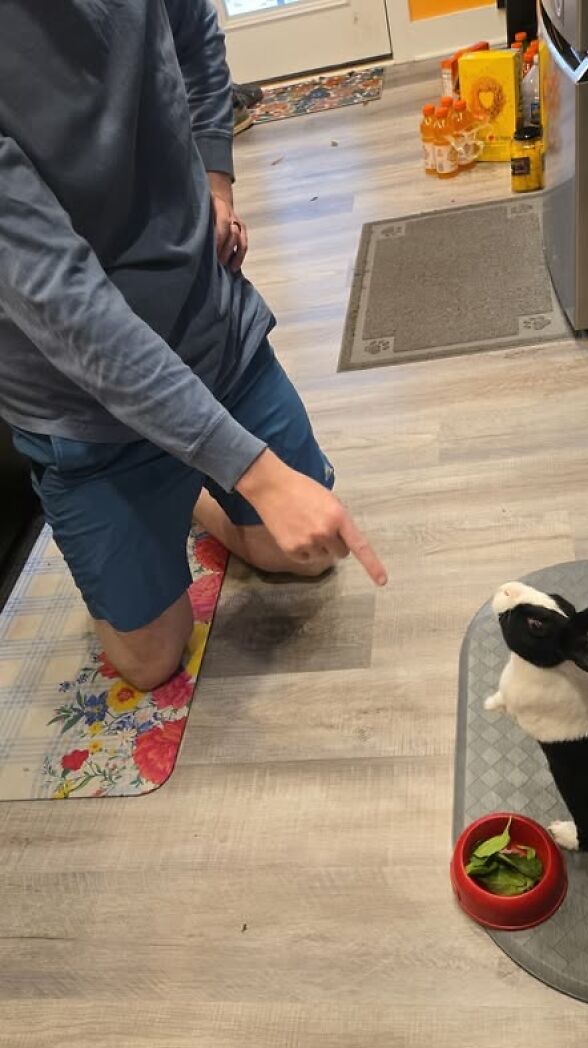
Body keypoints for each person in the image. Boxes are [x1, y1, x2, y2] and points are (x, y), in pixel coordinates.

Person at [0, 1, 386, 691]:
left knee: (304, 555)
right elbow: (68, 308)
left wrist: (215, 176)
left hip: (208, 324)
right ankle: (187, 481)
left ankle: (193, 491)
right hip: (79, 404)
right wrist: (259, 475)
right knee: (150, 662)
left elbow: (194, 30)